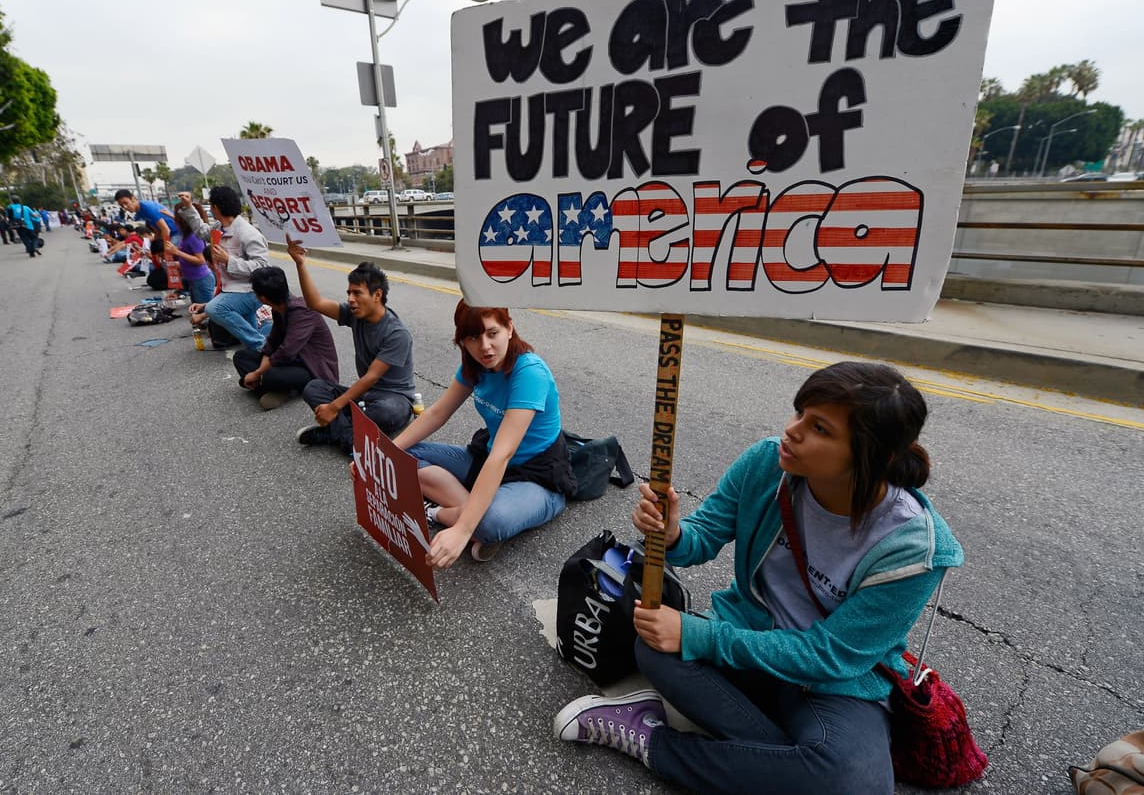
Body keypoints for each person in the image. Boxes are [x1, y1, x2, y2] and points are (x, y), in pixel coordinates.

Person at [552, 361, 964, 795]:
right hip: (747, 643)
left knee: (854, 784)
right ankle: (788, 768)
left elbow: (831, 656)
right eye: (800, 412)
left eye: (820, 428)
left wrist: (701, 636)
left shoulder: (914, 547)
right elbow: (702, 537)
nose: (792, 430)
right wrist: (672, 533)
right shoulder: (768, 463)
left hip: (831, 684)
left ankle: (654, 741)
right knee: (654, 648)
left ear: (876, 457)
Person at [393, 301, 575, 565]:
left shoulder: (529, 371)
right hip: (487, 459)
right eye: (473, 338)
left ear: (509, 328)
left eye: (492, 333)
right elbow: (436, 413)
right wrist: (378, 454)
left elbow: (504, 453)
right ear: (463, 342)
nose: (485, 347)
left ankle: (441, 513)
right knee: (402, 455)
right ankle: (475, 508)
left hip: (538, 476)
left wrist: (461, 529)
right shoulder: (475, 366)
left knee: (490, 522)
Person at [287, 242, 415, 455]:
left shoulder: (396, 333)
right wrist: (300, 264)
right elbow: (315, 303)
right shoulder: (354, 314)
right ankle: (352, 439)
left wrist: (334, 407)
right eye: (349, 293)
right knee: (314, 388)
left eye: (357, 293)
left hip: (394, 399)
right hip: (366, 396)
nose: (350, 299)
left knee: (386, 413)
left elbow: (371, 377)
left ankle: (334, 433)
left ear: (377, 295)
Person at [233, 266, 340, 410]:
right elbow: (272, 342)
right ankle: (278, 388)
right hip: (288, 364)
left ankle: (275, 386)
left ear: (262, 298)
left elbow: (286, 352)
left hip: (312, 369)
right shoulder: (279, 308)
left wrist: (257, 372)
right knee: (241, 357)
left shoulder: (302, 311)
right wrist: (261, 367)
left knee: (270, 375)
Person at [186, 185, 269, 350]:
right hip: (232, 288)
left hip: (250, 290)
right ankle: (262, 357)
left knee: (214, 308)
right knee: (250, 332)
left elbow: (262, 267)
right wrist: (189, 208)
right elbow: (202, 231)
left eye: (211, 205)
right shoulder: (218, 228)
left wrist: (228, 260)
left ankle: (262, 346)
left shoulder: (248, 233)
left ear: (216, 207)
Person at [167, 193, 218, 305]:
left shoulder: (194, 236)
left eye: (177, 217)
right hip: (194, 280)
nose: (175, 221)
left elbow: (201, 260)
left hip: (201, 280)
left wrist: (177, 252)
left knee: (204, 314)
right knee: (197, 312)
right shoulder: (186, 234)